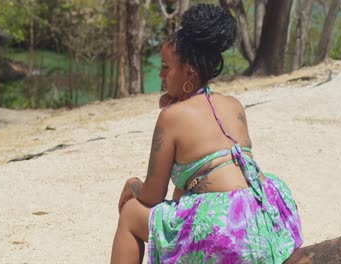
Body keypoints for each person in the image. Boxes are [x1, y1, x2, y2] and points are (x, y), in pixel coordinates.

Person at [111, 4, 303, 264]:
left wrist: (131, 185)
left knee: (132, 214)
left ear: (189, 71)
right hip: (263, 220)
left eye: (166, 68)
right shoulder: (234, 105)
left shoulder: (172, 117)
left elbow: (153, 195)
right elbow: (194, 184)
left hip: (228, 231)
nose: (160, 75)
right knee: (184, 202)